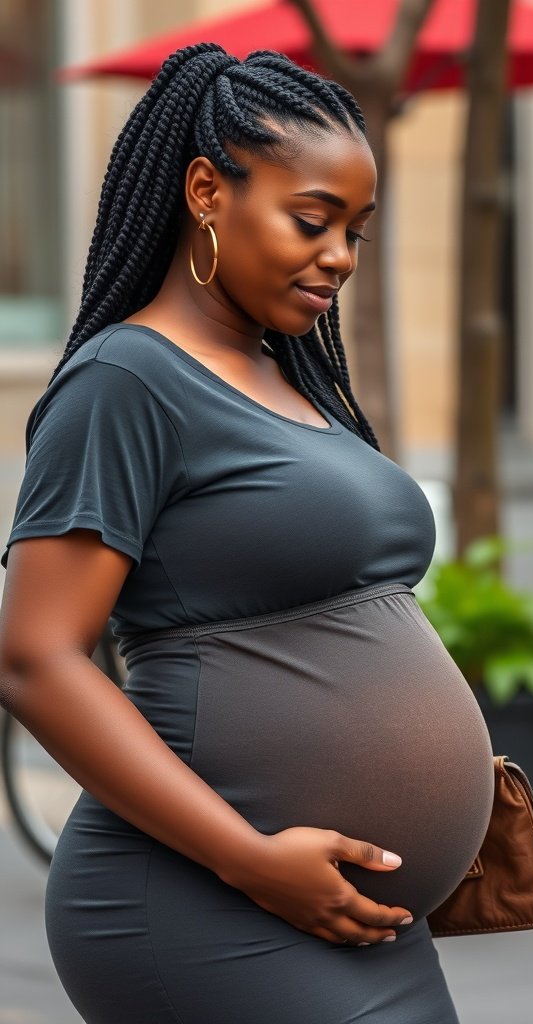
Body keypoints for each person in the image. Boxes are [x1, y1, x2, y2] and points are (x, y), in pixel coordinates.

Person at [0, 44, 494, 1024]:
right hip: (213, 902)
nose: (340, 256)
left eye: (355, 230)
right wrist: (250, 859)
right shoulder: (126, 382)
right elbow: (35, 659)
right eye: (312, 220)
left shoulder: (289, 376)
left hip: (353, 919)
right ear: (206, 192)